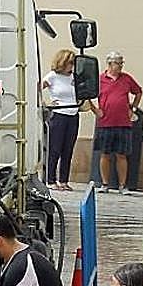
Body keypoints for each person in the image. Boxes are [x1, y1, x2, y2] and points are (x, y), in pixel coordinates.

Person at [94, 51, 142, 194]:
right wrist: (94, 110)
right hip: (105, 122)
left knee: (122, 155)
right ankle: (104, 184)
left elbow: (138, 92)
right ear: (110, 64)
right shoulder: (100, 79)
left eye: (122, 63)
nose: (120, 66)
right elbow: (87, 94)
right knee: (105, 154)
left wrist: (133, 107)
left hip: (123, 122)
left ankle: (122, 185)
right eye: (118, 63)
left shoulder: (126, 79)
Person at [41, 48, 87, 190]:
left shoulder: (74, 78)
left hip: (73, 114)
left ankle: (64, 180)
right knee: (55, 148)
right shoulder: (53, 76)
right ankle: (50, 180)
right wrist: (44, 104)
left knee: (68, 149)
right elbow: (38, 88)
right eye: (70, 63)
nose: (72, 66)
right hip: (59, 115)